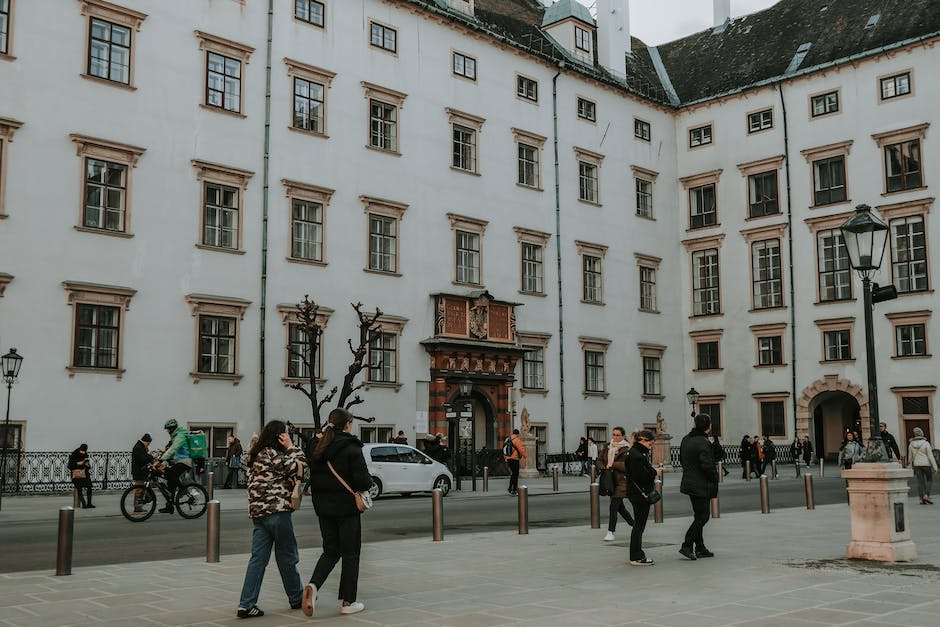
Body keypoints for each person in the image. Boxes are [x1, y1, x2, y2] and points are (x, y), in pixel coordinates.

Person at [303, 408, 372, 617]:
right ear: (348, 425)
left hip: (323, 508)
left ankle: (313, 586)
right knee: (350, 553)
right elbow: (363, 481)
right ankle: (348, 601)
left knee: (331, 550)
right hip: (346, 509)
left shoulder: (316, 446)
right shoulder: (351, 447)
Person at [678, 414, 718, 560]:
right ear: (709, 426)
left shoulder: (686, 439)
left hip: (689, 481)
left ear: (695, 425)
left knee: (698, 515)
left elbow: (681, 459)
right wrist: (714, 478)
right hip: (701, 484)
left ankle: (700, 547)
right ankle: (687, 544)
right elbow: (707, 465)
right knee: (703, 517)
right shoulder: (703, 442)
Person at [625, 429, 658, 566]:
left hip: (636, 492)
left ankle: (636, 554)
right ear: (643, 440)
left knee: (639, 525)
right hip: (640, 494)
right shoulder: (637, 455)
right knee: (639, 525)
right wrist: (655, 471)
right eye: (650, 444)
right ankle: (636, 556)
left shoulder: (634, 452)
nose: (651, 446)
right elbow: (643, 476)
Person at [596, 427, 634, 542]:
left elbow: (626, 466)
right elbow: (599, 460)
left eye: (618, 435)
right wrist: (604, 466)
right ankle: (634, 525)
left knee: (613, 506)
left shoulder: (627, 449)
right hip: (610, 480)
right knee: (620, 507)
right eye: (613, 434)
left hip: (622, 481)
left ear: (623, 436)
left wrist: (612, 464)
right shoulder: (608, 447)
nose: (615, 437)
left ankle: (610, 532)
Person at [157, 418, 192, 514]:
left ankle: (183, 489)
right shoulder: (175, 436)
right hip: (179, 461)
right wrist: (162, 457)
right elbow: (173, 452)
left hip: (185, 461)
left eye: (168, 429)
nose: (167, 431)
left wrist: (161, 460)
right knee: (170, 483)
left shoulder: (180, 436)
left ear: (172, 428)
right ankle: (169, 506)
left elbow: (173, 448)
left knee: (171, 475)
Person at [908, 427, 938, 505]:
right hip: (926, 464)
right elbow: (930, 456)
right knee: (929, 479)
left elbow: (910, 457)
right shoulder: (926, 443)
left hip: (917, 465)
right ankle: (926, 495)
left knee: (920, 482)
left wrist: (910, 465)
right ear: (921, 434)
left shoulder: (911, 444)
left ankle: (922, 499)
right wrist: (935, 467)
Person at [131, 434, 154, 512]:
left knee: (141, 489)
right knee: (139, 489)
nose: (148, 445)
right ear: (146, 442)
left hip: (140, 471)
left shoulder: (139, 446)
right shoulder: (138, 447)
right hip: (139, 472)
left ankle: (139, 505)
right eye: (149, 443)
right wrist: (150, 456)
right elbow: (143, 460)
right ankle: (137, 507)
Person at [67, 444, 94, 508]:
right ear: (80, 449)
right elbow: (70, 466)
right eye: (82, 451)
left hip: (85, 473)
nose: (83, 452)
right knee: (79, 488)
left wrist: (88, 465)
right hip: (77, 475)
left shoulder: (85, 455)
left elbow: (88, 466)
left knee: (89, 486)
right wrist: (78, 464)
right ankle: (84, 504)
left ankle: (89, 503)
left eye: (84, 451)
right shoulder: (74, 455)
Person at [503, 429, 526, 495]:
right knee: (515, 474)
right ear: (518, 434)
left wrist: (506, 458)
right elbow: (521, 449)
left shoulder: (507, 439)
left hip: (508, 458)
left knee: (513, 473)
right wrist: (525, 456)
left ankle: (511, 488)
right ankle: (514, 489)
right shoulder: (517, 440)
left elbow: (504, 449)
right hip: (515, 459)